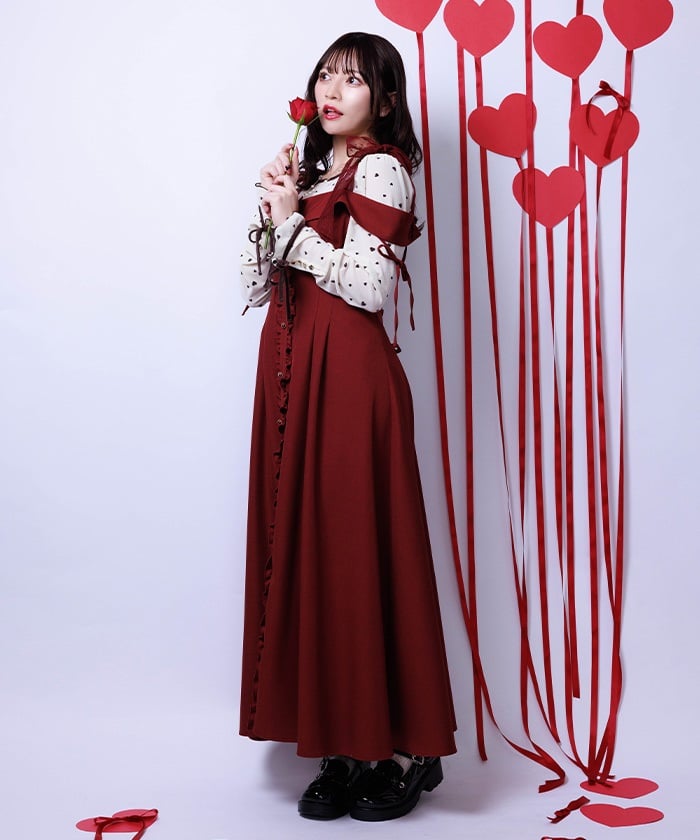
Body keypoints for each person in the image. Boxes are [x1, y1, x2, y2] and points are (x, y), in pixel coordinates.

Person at [239, 31, 457, 822]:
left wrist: (295, 227)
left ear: (385, 100)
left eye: (354, 81)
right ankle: (339, 743)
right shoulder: (306, 173)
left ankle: (402, 749)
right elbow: (252, 286)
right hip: (292, 374)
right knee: (312, 556)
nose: (332, 91)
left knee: (358, 553)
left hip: (351, 381)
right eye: (326, 76)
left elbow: (367, 289)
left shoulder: (383, 169)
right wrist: (273, 212)